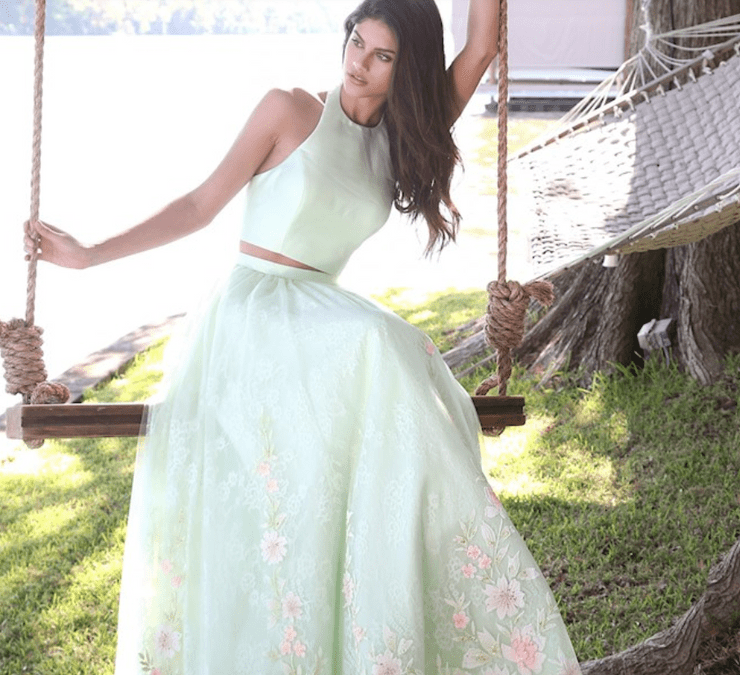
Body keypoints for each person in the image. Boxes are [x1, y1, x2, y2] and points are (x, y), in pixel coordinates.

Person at [26, 1, 582, 672]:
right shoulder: (288, 111)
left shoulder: (408, 133)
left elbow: (480, 46)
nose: (358, 62)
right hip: (257, 312)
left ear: (405, 73)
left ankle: (399, 599)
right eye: (357, 41)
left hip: (319, 317)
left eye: (382, 56)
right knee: (383, 342)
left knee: (390, 356)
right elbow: (201, 206)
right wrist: (89, 255)